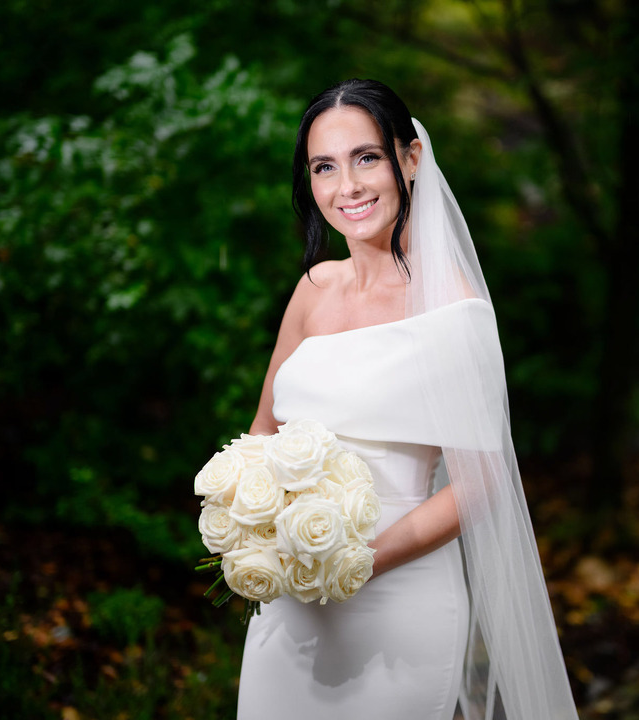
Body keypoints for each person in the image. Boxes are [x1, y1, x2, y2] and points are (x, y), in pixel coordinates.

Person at [237, 79, 577, 720]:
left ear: (411, 158)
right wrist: (250, 524)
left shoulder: (453, 308)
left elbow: (479, 484)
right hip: (290, 603)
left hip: (397, 603)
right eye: (324, 167)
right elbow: (262, 429)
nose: (347, 187)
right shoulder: (313, 288)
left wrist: (355, 564)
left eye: (366, 158)